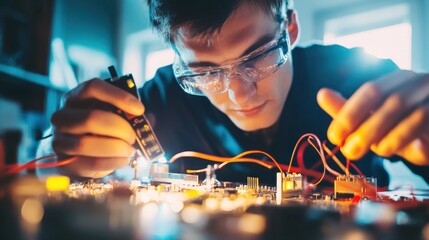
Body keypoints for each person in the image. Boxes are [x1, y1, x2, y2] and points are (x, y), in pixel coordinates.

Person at [41, 0, 429, 186]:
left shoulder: (357, 79)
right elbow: (45, 167)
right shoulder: (155, 102)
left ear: (290, 29)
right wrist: (56, 153)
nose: (240, 95)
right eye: (205, 73)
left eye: (258, 56)